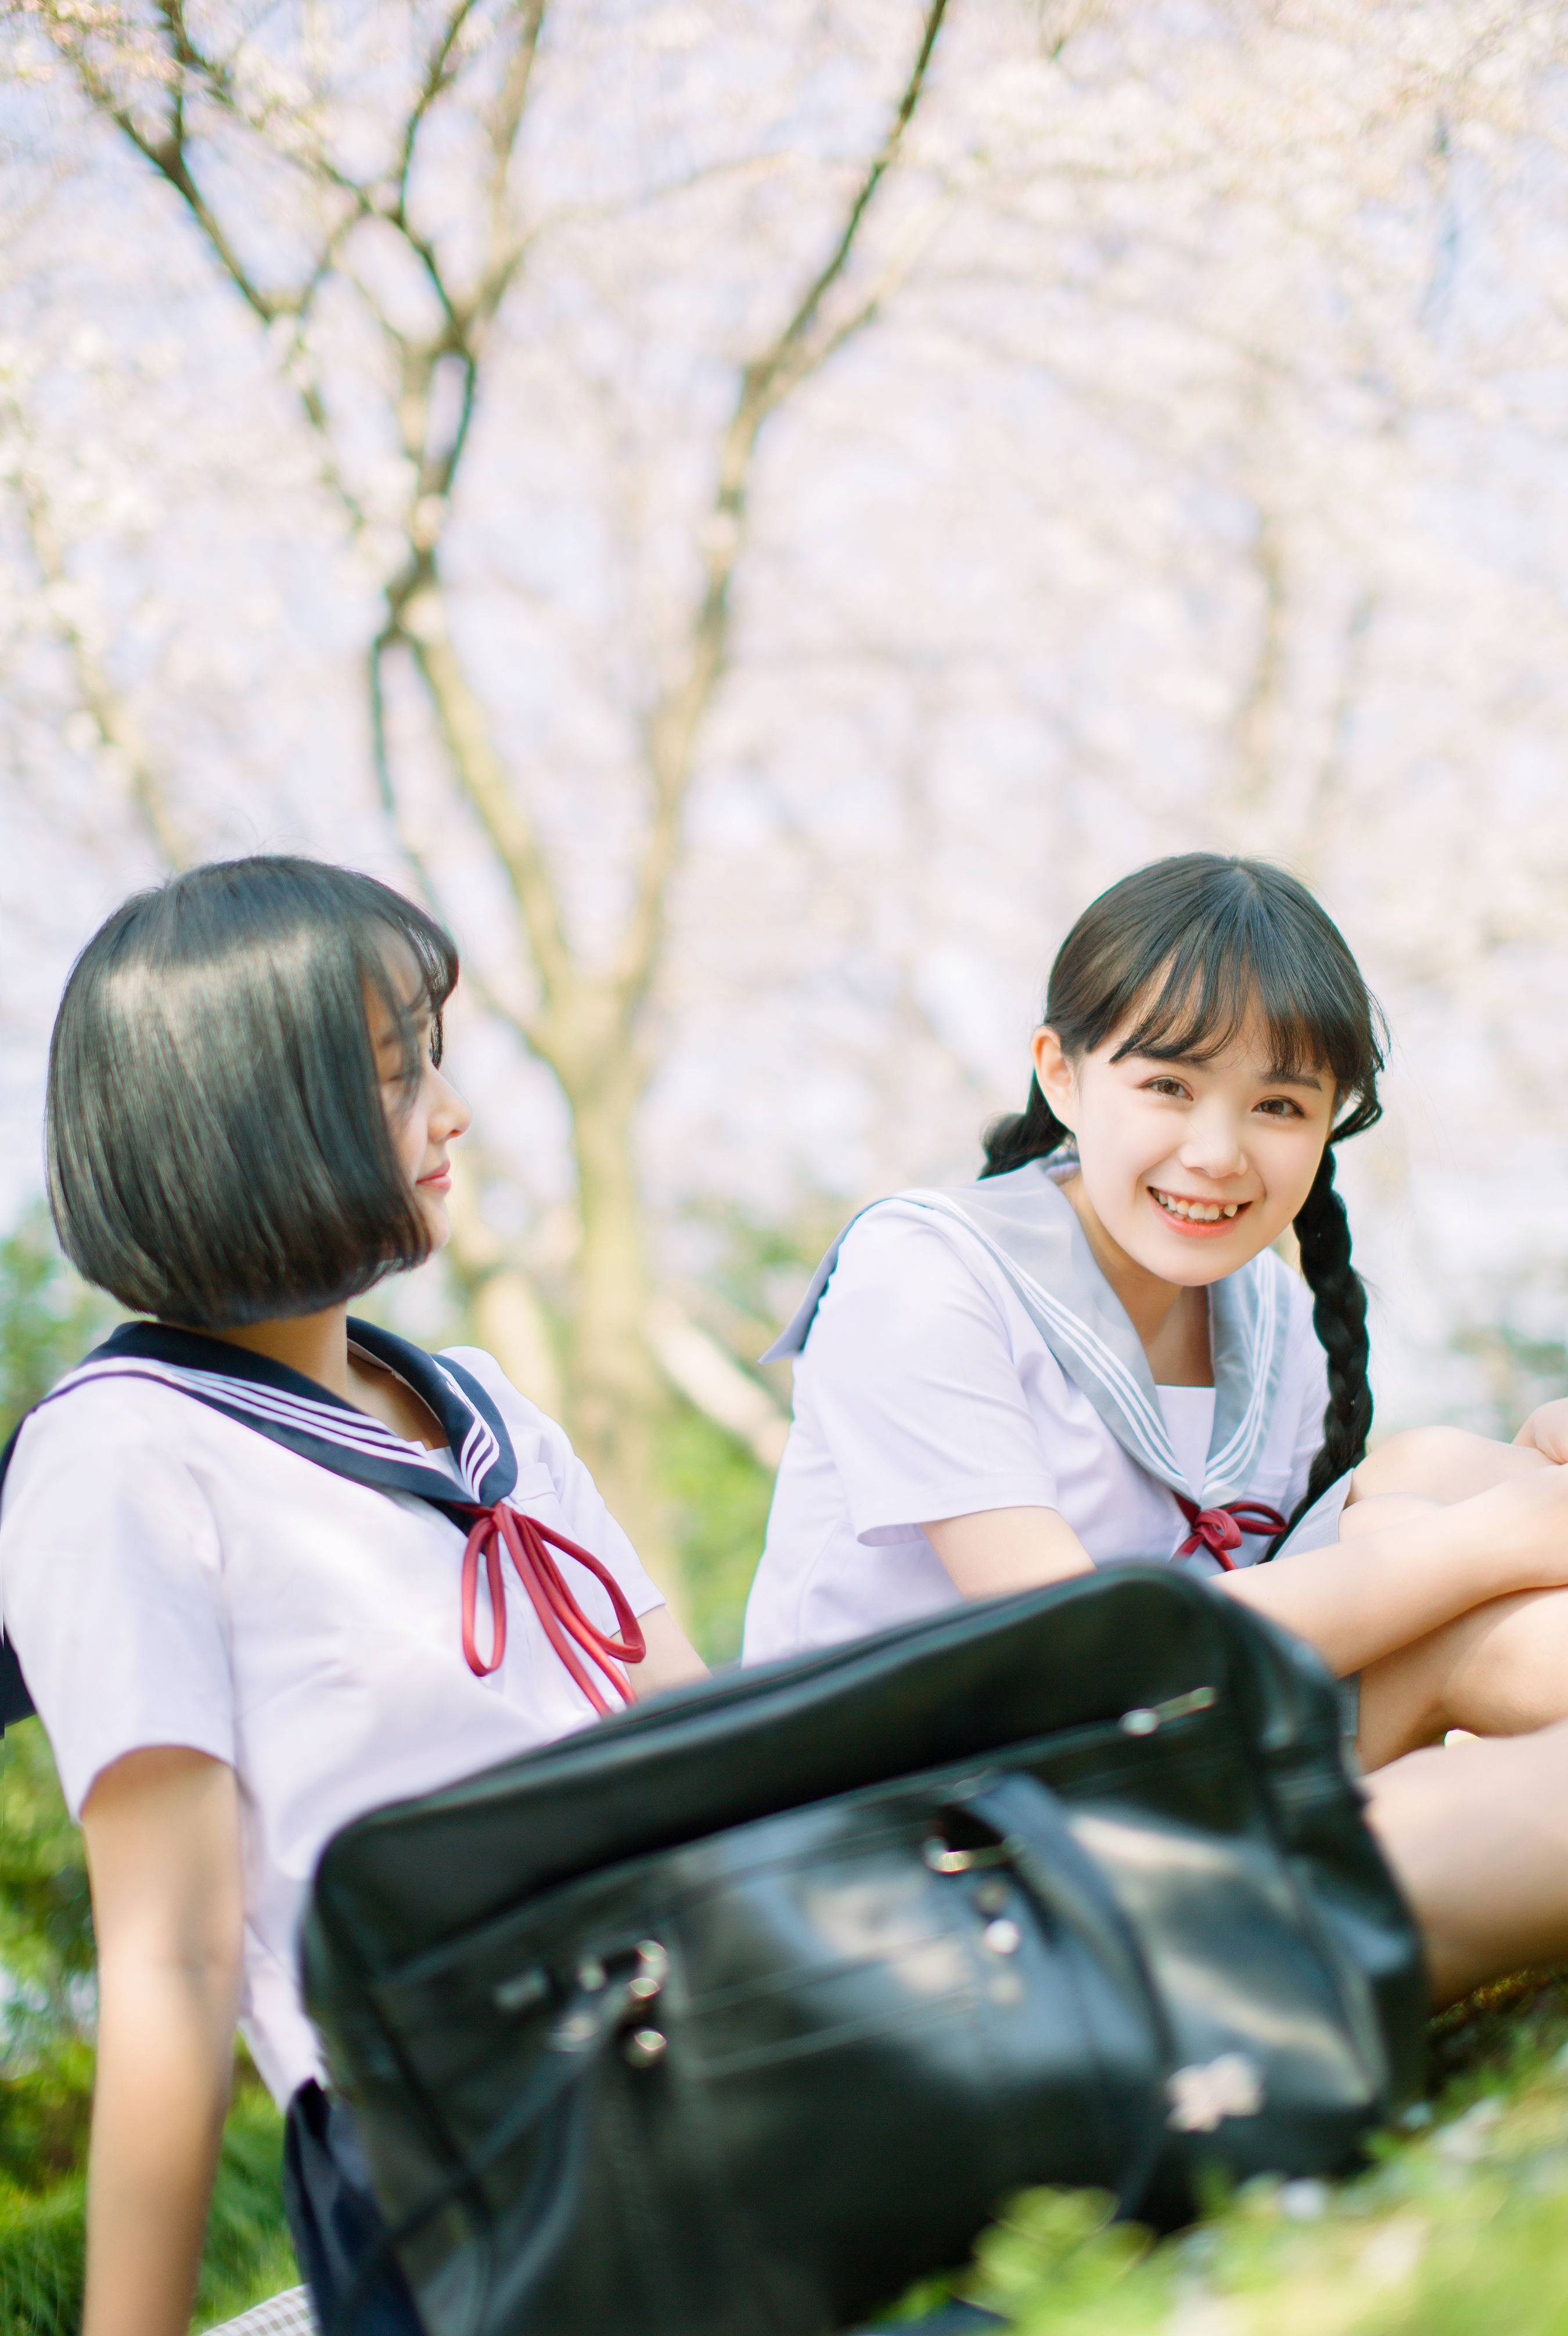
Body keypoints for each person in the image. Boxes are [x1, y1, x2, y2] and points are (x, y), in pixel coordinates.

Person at [0, 857, 706, 2336]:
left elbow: (692, 1727)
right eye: (396, 1079)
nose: (450, 1113)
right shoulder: (120, 1457)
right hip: (463, 2150)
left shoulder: (481, 1403)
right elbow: (173, 1958)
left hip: (702, 2041)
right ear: (247, 1119)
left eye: (434, 1063)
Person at [743, 852, 1568, 1773]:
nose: (1217, 1153)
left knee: (1436, 1476)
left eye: (1279, 1105)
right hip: (909, 1825)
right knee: (1474, 1588)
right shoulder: (922, 1277)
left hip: (1153, 1768)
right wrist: (1501, 1535)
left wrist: (1517, 1487)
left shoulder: (1273, 1317)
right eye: (1169, 1086)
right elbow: (1088, 1664)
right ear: (1061, 1073)